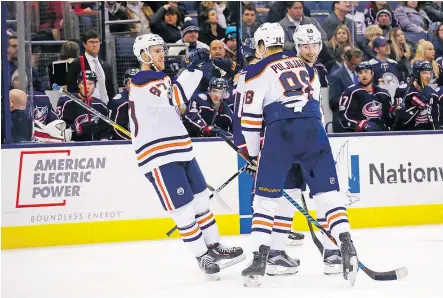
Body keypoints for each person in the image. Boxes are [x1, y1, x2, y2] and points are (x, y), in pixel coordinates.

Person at [240, 23, 358, 287]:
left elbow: (249, 120)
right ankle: (346, 243)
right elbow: (314, 105)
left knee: (264, 202)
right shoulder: (306, 67)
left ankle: (260, 258)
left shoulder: (256, 70)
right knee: (328, 196)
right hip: (315, 132)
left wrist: (253, 155)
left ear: (260, 46)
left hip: (280, 133)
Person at [129, 34, 244, 278]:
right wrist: (194, 70)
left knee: (202, 200)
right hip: (158, 155)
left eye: (162, 50)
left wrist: (195, 69)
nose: (161, 54)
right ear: (143, 55)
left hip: (181, 147)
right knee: (183, 209)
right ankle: (202, 256)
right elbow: (177, 97)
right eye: (156, 51)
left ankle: (214, 246)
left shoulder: (161, 77)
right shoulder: (141, 81)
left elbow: (176, 99)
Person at [339, 62, 393, 132]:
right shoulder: (351, 92)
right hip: (359, 136)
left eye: (366, 72)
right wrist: (361, 125)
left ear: (372, 74)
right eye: (360, 73)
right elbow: (343, 119)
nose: (363, 75)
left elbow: (388, 118)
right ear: (357, 76)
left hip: (381, 135)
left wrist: (395, 112)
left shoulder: (383, 93)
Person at [58, 70, 112, 141]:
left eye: (90, 84)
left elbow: (105, 130)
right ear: (78, 84)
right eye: (83, 83)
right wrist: (78, 128)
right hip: (74, 146)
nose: (87, 87)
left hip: (96, 148)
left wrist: (104, 139)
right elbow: (59, 129)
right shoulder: (66, 102)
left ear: (95, 86)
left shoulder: (101, 106)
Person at [67, 30, 115, 105]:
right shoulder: (77, 64)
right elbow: (72, 89)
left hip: (106, 106)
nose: (94, 45)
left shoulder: (105, 65)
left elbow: (110, 89)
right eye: (91, 42)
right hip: (89, 107)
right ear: (84, 44)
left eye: (97, 42)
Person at [393, 60, 440, 131]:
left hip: (428, 134)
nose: (428, 76)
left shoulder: (432, 93)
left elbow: (435, 121)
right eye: (424, 73)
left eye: (430, 73)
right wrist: (418, 104)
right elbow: (398, 118)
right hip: (407, 134)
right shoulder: (403, 90)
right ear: (417, 73)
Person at [108, 68, 140, 140]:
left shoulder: (146, 99)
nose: (134, 86)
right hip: (121, 144)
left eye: (138, 83)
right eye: (131, 83)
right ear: (125, 84)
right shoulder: (120, 102)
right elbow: (115, 129)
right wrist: (130, 140)